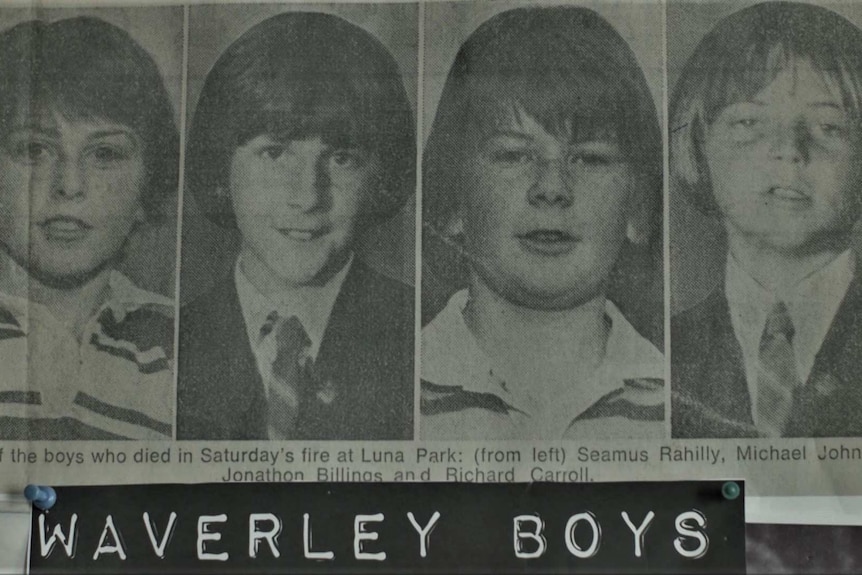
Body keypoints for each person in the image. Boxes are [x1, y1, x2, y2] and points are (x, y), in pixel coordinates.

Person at [420, 6, 664, 440]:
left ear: (638, 211)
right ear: (453, 199)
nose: (551, 188)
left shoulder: (675, 399)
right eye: (514, 155)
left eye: (589, 157)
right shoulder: (399, 382)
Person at [177, 12, 415, 440]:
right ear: (221, 165)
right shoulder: (172, 341)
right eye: (274, 153)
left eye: (341, 158)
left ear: (379, 177)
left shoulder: (417, 336)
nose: (307, 197)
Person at [670, 2, 862, 438]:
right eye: (749, 121)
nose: (789, 149)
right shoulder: (666, 355)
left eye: (829, 126)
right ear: (699, 143)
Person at [0, 17, 179, 439]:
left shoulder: (180, 341)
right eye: (34, 149)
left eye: (105, 154)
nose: (69, 186)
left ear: (148, 187)